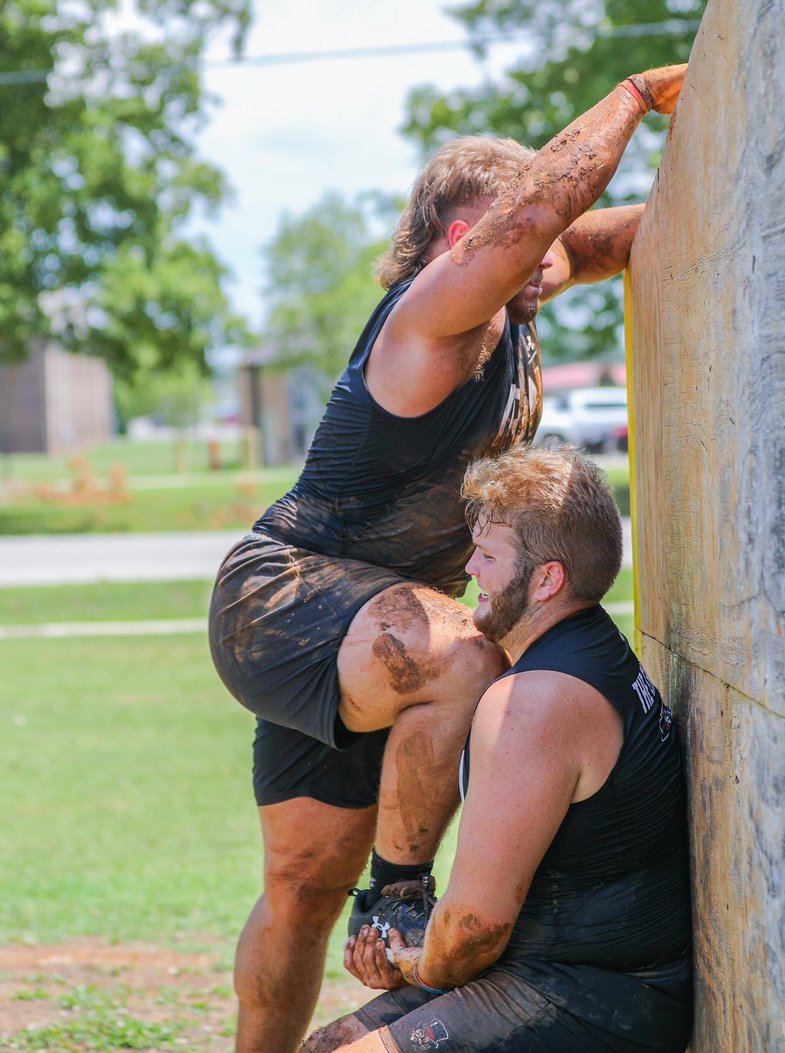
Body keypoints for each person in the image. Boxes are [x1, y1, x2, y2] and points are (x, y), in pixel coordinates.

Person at [208, 63, 688, 1053]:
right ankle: (400, 902)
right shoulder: (428, 320)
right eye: (484, 236)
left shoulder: (524, 288)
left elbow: (634, 229)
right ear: (438, 247)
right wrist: (637, 94)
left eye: (526, 236)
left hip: (386, 636)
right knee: (468, 655)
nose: (514, 251)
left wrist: (722, 134)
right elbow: (526, 225)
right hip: (287, 594)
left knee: (300, 888)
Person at [299, 446, 692, 1053]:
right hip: (561, 969)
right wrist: (421, 944)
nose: (471, 568)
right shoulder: (584, 647)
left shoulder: (533, 707)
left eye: (488, 555)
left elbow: (476, 930)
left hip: (597, 1000)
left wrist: (418, 962)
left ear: (546, 579)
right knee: (330, 1043)